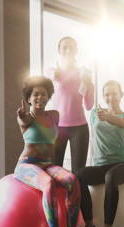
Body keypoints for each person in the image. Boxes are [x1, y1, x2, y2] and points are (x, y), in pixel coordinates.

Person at [14, 75, 88, 227]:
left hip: (47, 164)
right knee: (48, 183)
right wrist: (23, 117)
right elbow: (24, 121)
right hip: (27, 165)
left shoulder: (54, 115)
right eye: (36, 95)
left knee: (72, 179)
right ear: (29, 98)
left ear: (49, 96)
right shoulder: (26, 117)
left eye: (44, 94)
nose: (40, 98)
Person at [76, 80, 124, 227]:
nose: (111, 97)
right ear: (103, 96)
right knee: (78, 176)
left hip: (122, 164)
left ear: (121, 95)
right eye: (107, 94)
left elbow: (123, 124)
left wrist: (108, 116)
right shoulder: (95, 113)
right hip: (101, 165)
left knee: (111, 177)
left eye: (114, 93)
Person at [47, 36, 94, 173]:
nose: (68, 50)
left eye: (71, 47)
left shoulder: (84, 72)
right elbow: (45, 92)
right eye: (64, 47)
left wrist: (89, 83)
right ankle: (57, 195)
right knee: (54, 171)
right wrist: (55, 75)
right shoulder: (51, 70)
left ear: (76, 50)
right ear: (59, 50)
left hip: (79, 128)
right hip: (57, 128)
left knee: (79, 174)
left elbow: (89, 105)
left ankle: (78, 195)